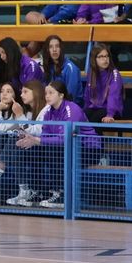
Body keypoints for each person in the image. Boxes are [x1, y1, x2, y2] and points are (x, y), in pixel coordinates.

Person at [35, 80, 97, 209]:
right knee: (37, 150)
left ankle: (62, 194)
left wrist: (38, 140)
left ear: (61, 95)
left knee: (56, 151)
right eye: (46, 93)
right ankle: (37, 191)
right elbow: (45, 135)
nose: (47, 96)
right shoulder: (48, 113)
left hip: (88, 148)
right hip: (67, 148)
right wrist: (35, 141)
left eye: (51, 93)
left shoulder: (71, 109)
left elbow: (65, 139)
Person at [83, 44, 123, 123]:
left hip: (111, 110)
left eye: (107, 56)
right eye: (101, 56)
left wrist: (110, 114)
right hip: (95, 108)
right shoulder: (91, 73)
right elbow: (87, 96)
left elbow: (114, 96)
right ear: (94, 59)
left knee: (94, 119)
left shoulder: (114, 73)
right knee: (82, 118)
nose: (105, 59)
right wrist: (84, 111)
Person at [39, 33, 83, 99]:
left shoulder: (70, 68)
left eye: (57, 46)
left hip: (70, 103)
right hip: (54, 102)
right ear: (47, 50)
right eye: (51, 47)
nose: (54, 50)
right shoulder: (49, 66)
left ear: (61, 49)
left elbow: (70, 96)